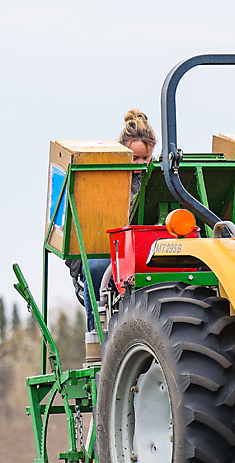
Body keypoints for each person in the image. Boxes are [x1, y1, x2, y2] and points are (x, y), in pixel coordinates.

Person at [67, 109, 157, 331]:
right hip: (111, 251)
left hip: (147, 248)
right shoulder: (106, 181)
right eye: (134, 158)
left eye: (145, 158)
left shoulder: (158, 179)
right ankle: (98, 335)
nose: (141, 164)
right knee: (96, 267)